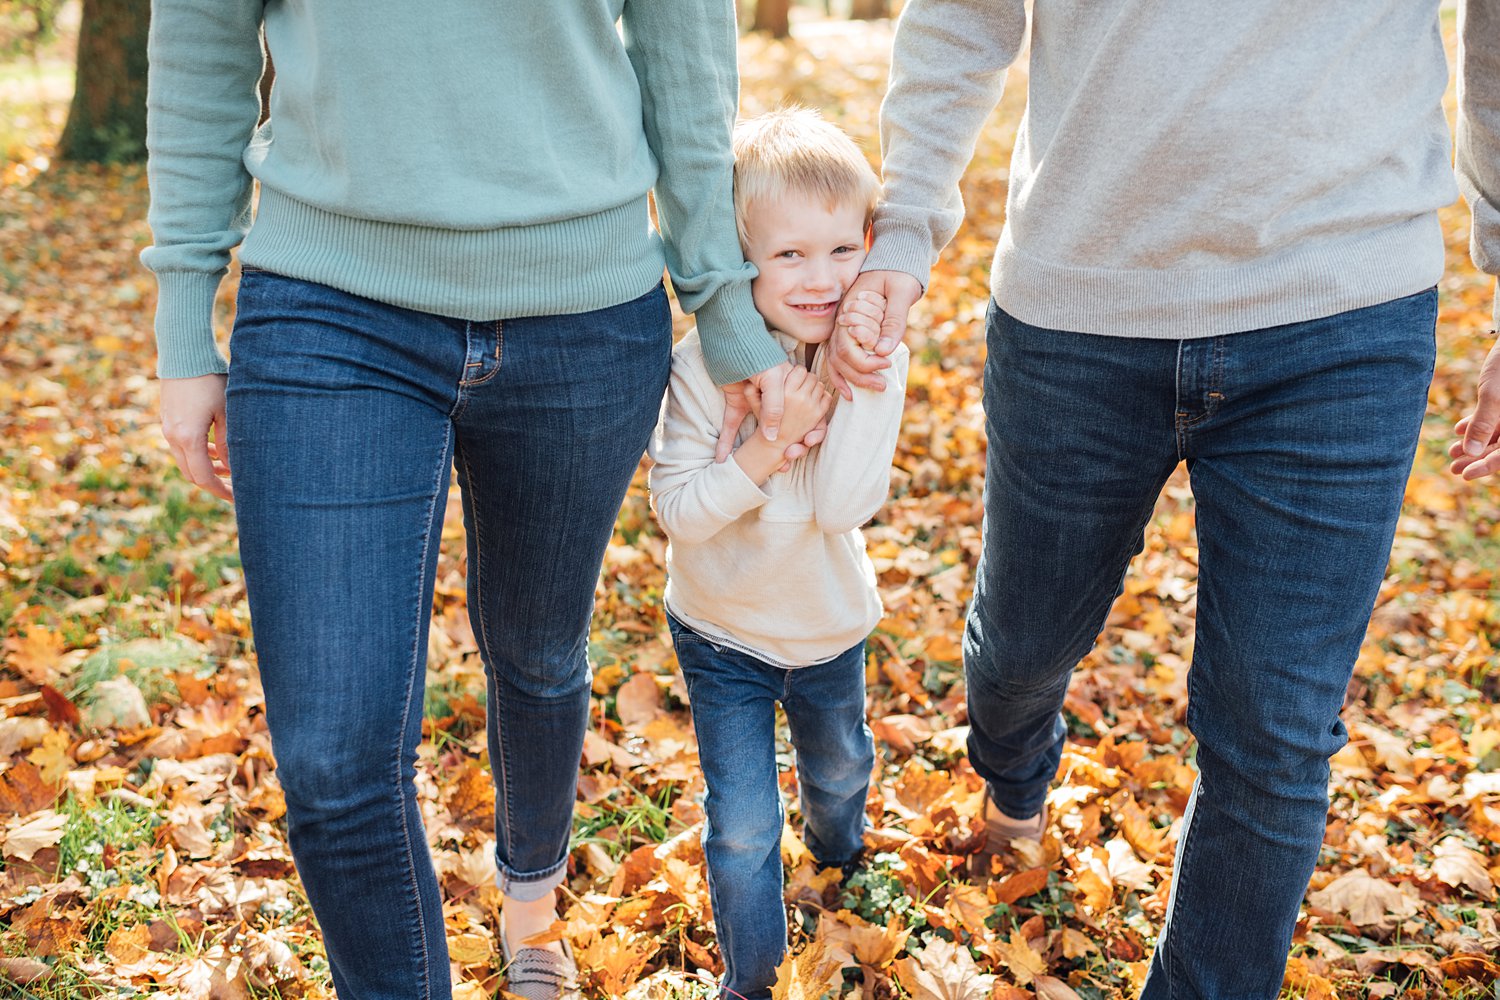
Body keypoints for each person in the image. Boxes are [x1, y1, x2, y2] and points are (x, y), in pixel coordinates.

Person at [829, 2, 1500, 998]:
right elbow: (962, 14)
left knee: (1273, 728)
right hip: (1078, 305)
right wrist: (907, 226)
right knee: (1020, 651)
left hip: (1346, 306)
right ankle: (1016, 769)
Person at [140, 3, 806, 998]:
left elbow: (686, 49)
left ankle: (530, 900)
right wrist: (184, 309)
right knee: (331, 757)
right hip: (329, 302)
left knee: (538, 652)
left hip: (583, 308)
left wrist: (723, 302)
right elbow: (201, 34)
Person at [648, 108, 907, 1000]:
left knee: (840, 771)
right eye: (789, 254)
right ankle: (750, 981)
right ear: (739, 252)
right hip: (721, 632)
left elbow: (843, 506)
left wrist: (853, 382)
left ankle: (840, 856)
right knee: (744, 827)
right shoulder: (697, 368)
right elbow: (680, 514)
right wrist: (766, 446)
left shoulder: (875, 358)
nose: (821, 278)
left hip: (830, 627)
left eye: (843, 250)